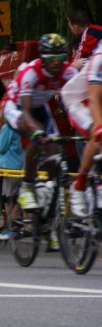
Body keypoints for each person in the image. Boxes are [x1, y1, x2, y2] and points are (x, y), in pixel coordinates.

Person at [3, 34, 77, 210]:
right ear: (43, 58)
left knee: (54, 152)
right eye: (52, 58)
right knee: (37, 135)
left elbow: (82, 98)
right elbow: (27, 113)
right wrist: (38, 132)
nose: (56, 62)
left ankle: (48, 199)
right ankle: (27, 185)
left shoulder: (67, 71)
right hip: (17, 107)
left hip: (40, 107)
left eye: (61, 57)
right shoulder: (31, 72)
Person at [63, 41, 102, 217]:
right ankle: (79, 185)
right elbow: (94, 99)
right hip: (79, 102)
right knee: (99, 133)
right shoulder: (99, 60)